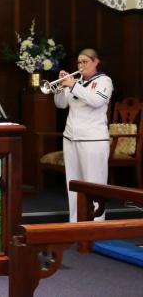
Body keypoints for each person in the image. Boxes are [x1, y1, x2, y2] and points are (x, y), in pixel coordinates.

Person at [53, 48, 113, 223]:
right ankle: (75, 222)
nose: (81, 65)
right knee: (73, 184)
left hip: (93, 140)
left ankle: (97, 225)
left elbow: (96, 101)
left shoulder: (104, 81)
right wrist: (59, 88)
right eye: (79, 62)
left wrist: (73, 85)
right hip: (71, 138)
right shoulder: (75, 81)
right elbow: (61, 105)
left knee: (95, 184)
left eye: (85, 62)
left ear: (96, 62)